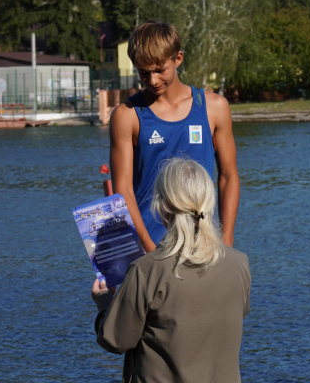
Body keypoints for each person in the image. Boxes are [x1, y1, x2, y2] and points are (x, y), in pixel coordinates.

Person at [91, 158, 251, 382]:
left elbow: (116, 339)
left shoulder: (146, 270)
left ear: (163, 207)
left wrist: (104, 302)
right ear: (207, 202)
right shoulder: (239, 264)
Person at [109, 20, 239, 252]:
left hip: (203, 246)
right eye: (144, 73)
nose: (153, 81)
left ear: (178, 58)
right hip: (148, 247)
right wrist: (148, 249)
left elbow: (228, 176)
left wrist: (226, 241)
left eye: (160, 70)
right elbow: (123, 191)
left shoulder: (215, 108)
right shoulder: (126, 115)